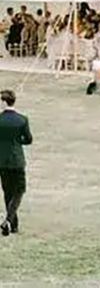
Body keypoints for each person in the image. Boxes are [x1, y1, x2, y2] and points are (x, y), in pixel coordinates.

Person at [0, 89, 32, 236]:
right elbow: (28, 139)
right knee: (19, 190)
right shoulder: (22, 119)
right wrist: (18, 140)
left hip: (2, 161)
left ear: (3, 102)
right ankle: (8, 220)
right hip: (17, 160)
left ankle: (13, 225)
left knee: (8, 192)